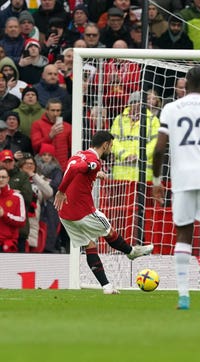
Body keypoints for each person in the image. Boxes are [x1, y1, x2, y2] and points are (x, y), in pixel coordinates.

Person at [151, 66, 200, 311]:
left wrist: (156, 181)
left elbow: (159, 148)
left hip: (182, 178)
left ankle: (183, 297)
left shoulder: (171, 108)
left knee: (183, 234)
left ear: (185, 85)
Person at [53, 131, 154, 294]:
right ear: (105, 145)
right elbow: (76, 170)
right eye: (111, 147)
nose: (111, 150)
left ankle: (106, 286)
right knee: (109, 232)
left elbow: (74, 167)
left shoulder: (80, 154)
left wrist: (95, 174)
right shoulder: (95, 161)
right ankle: (131, 252)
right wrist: (61, 191)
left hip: (64, 213)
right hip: (82, 211)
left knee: (89, 245)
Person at [110, 91, 161, 181]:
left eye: (138, 102)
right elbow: (113, 141)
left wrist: (139, 156)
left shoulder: (153, 120)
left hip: (143, 175)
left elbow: (155, 143)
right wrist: (126, 155)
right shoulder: (119, 119)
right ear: (129, 104)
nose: (136, 105)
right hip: (121, 175)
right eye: (133, 102)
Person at [18, 153, 52, 252]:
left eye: (32, 164)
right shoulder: (16, 178)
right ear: (21, 166)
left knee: (32, 247)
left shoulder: (38, 178)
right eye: (26, 163)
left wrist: (34, 176)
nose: (29, 166)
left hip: (34, 218)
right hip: (20, 216)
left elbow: (49, 192)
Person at [30, 98, 72, 169]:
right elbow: (35, 146)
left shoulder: (68, 126)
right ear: (46, 110)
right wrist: (50, 136)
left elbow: (71, 148)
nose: (55, 113)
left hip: (63, 167)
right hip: (44, 168)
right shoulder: (37, 125)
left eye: (58, 110)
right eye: (53, 110)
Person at [0, 167, 26, 253]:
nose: (1, 179)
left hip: (8, 244)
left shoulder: (16, 197)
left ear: (8, 179)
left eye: (3, 177)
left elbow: (22, 220)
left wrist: (4, 214)